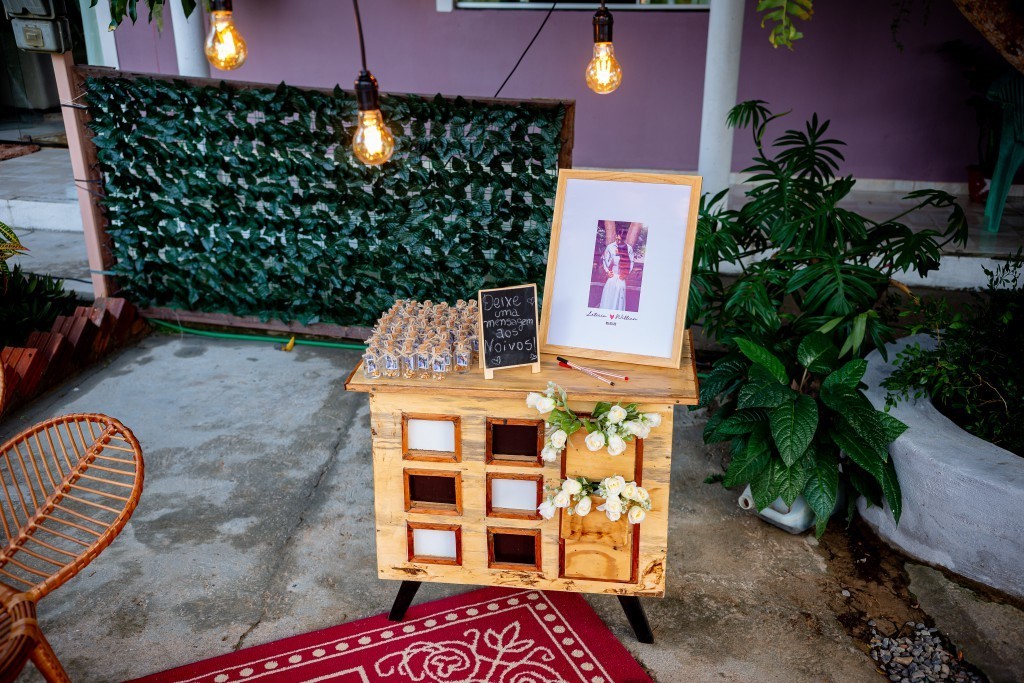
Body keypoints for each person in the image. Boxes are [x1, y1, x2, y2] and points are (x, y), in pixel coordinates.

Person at [598, 226, 633, 311]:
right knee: (608, 298)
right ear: (616, 236)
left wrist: (626, 274)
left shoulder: (629, 248)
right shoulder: (610, 247)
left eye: (621, 240)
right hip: (612, 277)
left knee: (619, 300)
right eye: (618, 239)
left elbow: (631, 263)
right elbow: (605, 260)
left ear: (625, 238)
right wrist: (607, 271)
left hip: (621, 278)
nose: (619, 242)